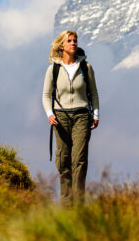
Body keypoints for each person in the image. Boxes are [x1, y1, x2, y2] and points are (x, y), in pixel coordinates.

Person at [42, 30, 99, 204]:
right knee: (63, 160)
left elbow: (94, 93)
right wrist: (50, 114)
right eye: (70, 41)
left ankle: (79, 203)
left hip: (82, 116)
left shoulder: (85, 67)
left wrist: (95, 114)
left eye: (75, 40)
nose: (73, 43)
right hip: (60, 117)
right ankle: (67, 203)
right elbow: (45, 95)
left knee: (79, 159)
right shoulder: (53, 69)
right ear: (62, 45)